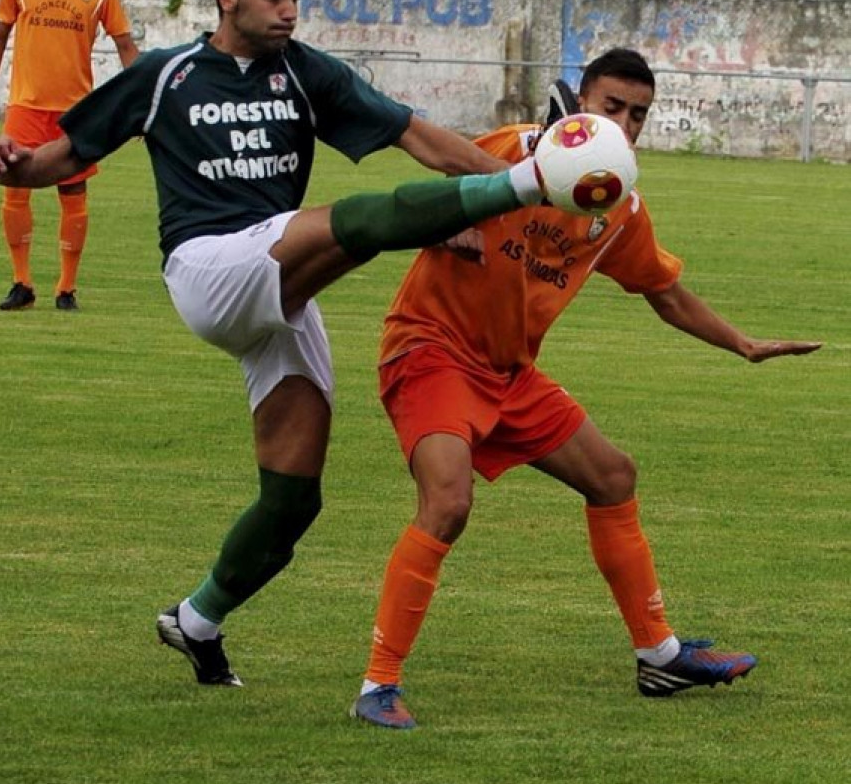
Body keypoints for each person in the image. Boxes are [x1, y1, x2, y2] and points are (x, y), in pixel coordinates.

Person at [0, 0, 551, 689]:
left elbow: (416, 136)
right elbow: (67, 153)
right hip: (210, 268)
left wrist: (521, 171)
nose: (289, 12)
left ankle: (196, 619)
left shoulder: (305, 73)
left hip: (281, 287)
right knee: (353, 219)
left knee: (294, 500)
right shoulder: (166, 74)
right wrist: (14, 163)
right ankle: (488, 203)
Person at [351, 47, 822, 730]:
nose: (625, 125)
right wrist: (444, 219)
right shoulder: (513, 150)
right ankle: (377, 685)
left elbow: (666, 294)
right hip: (432, 349)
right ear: (580, 104)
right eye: (612, 107)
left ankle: (658, 655)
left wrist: (742, 344)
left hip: (508, 372)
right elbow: (433, 174)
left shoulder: (619, 208)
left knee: (612, 475)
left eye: (638, 115)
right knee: (448, 503)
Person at [0, 0, 139, 312]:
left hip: (75, 111)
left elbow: (124, 45)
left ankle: (66, 288)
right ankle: (21, 283)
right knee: (16, 191)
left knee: (74, 193)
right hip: (26, 106)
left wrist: (141, 102)